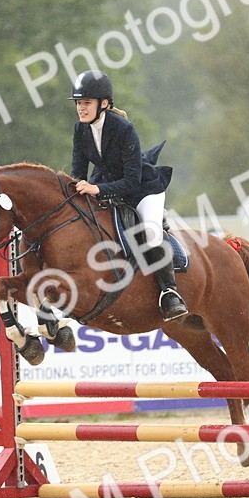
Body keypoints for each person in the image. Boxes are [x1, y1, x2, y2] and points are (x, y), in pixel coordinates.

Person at [68, 69, 188, 321]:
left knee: (151, 232)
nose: (81, 108)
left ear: (103, 103)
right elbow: (78, 172)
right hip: (106, 185)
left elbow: (132, 181)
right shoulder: (80, 129)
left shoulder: (124, 129)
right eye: (78, 103)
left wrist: (97, 189)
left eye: (86, 102)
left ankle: (170, 293)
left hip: (143, 189)